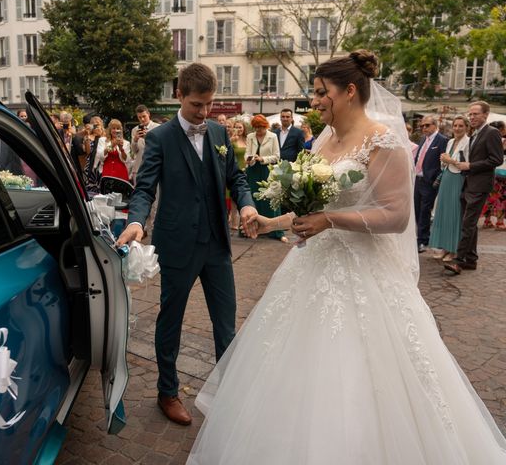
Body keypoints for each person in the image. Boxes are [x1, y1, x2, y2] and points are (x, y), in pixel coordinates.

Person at [187, 50, 506, 464]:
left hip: (365, 275)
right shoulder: (324, 140)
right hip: (311, 270)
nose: (315, 100)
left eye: (322, 92)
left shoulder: (383, 140)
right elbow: (312, 209)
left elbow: (395, 215)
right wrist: (270, 223)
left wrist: (331, 221)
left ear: (350, 91)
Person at [116, 63, 258, 427]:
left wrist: (246, 204)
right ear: (179, 95)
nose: (204, 112)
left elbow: (236, 178)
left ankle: (229, 392)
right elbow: (145, 188)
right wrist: (135, 221)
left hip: (216, 245)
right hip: (177, 244)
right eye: (197, 104)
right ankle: (168, 392)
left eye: (209, 104)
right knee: (171, 321)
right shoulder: (160, 138)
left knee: (226, 323)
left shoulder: (219, 133)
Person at [444, 102, 505, 275]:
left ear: (486, 115)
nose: (471, 117)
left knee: (468, 223)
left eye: (475, 114)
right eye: (470, 114)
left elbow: (496, 159)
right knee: (469, 224)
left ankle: (459, 260)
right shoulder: (475, 134)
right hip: (469, 183)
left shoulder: (491, 132)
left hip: (480, 185)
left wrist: (470, 165)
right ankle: (471, 259)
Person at [429, 116, 470, 261]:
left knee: (454, 214)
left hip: (458, 179)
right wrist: (444, 161)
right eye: (455, 126)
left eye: (461, 126)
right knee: (443, 212)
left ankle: (454, 250)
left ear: (466, 128)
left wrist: (449, 160)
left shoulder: (468, 142)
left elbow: (467, 164)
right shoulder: (450, 141)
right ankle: (444, 247)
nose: (457, 128)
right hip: (446, 177)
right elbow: (445, 163)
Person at [246, 114, 288, 243]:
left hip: (267, 170)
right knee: (253, 197)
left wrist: (263, 159)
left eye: (261, 127)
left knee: (271, 198)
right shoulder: (250, 137)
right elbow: (247, 153)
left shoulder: (273, 136)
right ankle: (253, 229)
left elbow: (277, 156)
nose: (258, 130)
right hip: (253, 170)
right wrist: (250, 159)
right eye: (256, 127)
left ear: (266, 126)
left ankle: (276, 231)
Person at [414, 115, 448, 253]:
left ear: (435, 125)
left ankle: (422, 240)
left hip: (429, 182)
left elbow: (443, 161)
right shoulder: (423, 139)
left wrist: (435, 179)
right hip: (418, 179)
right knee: (417, 210)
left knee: (424, 211)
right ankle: (422, 237)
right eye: (422, 126)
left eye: (427, 125)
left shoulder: (442, 140)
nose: (424, 128)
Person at [480, 121, 506, 229]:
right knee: (501, 198)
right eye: (504, 128)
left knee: (489, 198)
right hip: (502, 177)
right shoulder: (503, 141)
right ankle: (500, 222)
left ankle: (487, 221)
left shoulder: (487, 140)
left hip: (490, 174)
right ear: (500, 129)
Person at [130, 104, 161, 186]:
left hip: (154, 167)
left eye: (144, 116)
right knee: (139, 194)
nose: (142, 119)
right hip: (139, 167)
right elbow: (134, 151)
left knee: (155, 196)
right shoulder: (135, 130)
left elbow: (160, 147)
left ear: (148, 114)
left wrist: (147, 138)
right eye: (139, 117)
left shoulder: (158, 127)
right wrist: (135, 140)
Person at [228, 120, 248, 231]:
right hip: (235, 170)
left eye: (240, 127)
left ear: (244, 129)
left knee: (244, 197)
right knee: (234, 198)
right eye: (236, 127)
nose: (238, 129)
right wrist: (231, 140)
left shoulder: (247, 140)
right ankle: (234, 223)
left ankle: (243, 223)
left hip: (246, 170)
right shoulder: (231, 140)